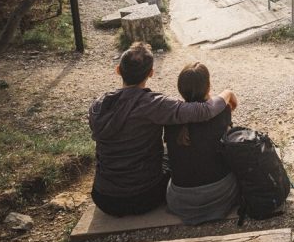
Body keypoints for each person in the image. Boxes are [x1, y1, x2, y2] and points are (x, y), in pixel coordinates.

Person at [88, 42, 237, 217]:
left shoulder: (98, 106)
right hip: (143, 196)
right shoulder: (153, 105)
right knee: (172, 158)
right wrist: (228, 93)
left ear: (118, 70)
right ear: (151, 73)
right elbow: (205, 110)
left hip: (103, 197)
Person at [164, 62, 240, 224]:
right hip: (218, 195)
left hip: (180, 200)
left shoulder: (171, 119)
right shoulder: (221, 112)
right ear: (209, 86)